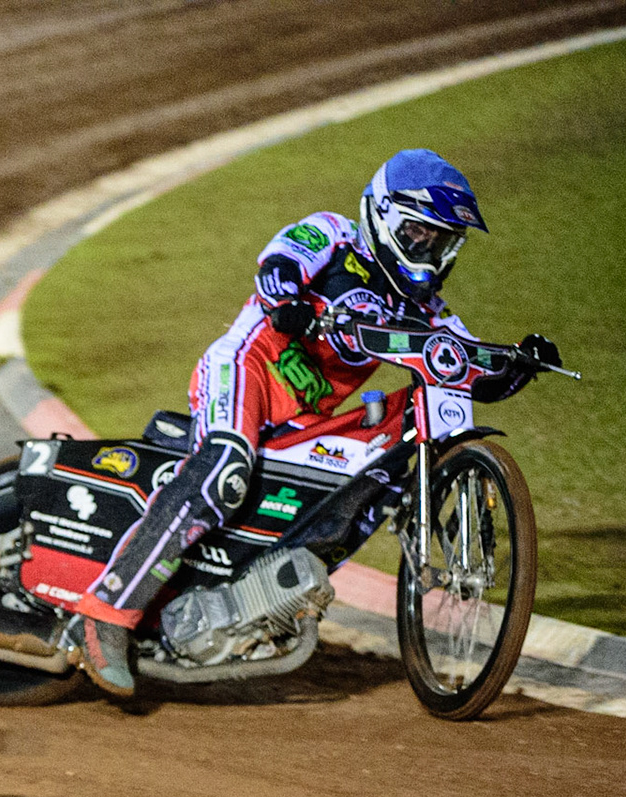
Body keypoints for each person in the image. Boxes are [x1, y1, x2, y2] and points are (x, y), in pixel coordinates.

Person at [67, 148, 561, 696]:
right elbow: (278, 266)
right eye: (418, 232)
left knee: (362, 485)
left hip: (304, 420)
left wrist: (520, 364)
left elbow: (471, 373)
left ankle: (247, 600)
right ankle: (105, 612)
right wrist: (288, 298)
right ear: (384, 216)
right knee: (226, 466)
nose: (428, 249)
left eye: (441, 241)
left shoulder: (425, 309)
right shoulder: (334, 234)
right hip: (245, 371)